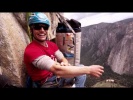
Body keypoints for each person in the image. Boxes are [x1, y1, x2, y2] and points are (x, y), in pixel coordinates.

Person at [24, 12, 104, 88]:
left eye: (45, 27)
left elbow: (62, 58)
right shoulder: (31, 50)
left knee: (81, 70)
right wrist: (89, 70)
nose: (42, 30)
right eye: (38, 27)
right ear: (31, 29)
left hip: (57, 77)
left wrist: (64, 63)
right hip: (46, 83)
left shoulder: (51, 44)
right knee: (83, 70)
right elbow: (56, 69)